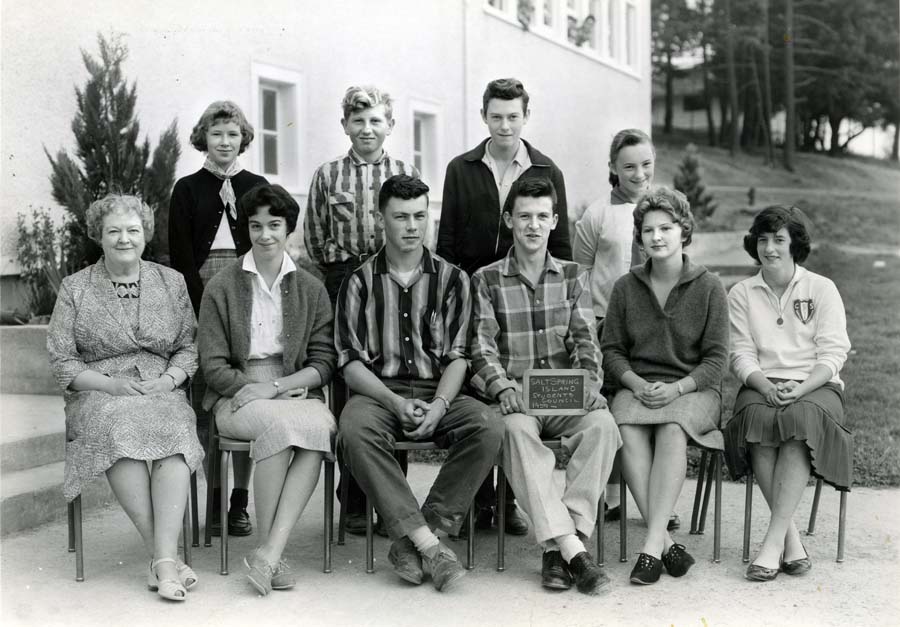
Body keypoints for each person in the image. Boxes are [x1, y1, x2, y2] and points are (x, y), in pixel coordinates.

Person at [336, 175, 504, 592]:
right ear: (381, 219)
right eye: (400, 217)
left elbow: (459, 356)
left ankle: (415, 538)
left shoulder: (452, 279)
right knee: (353, 429)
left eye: (419, 215)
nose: (412, 226)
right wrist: (393, 401)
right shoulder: (359, 281)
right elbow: (350, 364)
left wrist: (442, 405)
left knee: (488, 426)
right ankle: (430, 544)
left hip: (438, 391)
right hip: (379, 392)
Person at [48, 194, 205, 601]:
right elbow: (63, 361)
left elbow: (189, 347)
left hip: (159, 386)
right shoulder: (75, 288)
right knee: (118, 428)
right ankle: (166, 560)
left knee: (173, 429)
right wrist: (109, 385)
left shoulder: (171, 282)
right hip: (99, 390)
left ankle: (161, 559)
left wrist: (171, 380)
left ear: (145, 235)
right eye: (113, 231)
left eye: (132, 230)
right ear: (98, 236)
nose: (124, 239)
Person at [470, 177, 620, 596]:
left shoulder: (573, 276)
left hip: (564, 392)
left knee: (603, 427)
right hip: (519, 396)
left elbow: (586, 340)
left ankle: (559, 551)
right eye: (523, 217)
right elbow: (480, 346)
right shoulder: (486, 279)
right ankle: (576, 551)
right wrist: (501, 387)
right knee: (515, 431)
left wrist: (590, 382)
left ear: (554, 221)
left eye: (541, 217)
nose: (533, 226)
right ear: (509, 220)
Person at [438, 77, 572, 535]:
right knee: (482, 388)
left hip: (527, 293)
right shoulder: (462, 167)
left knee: (522, 382)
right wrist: (455, 297)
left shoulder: (546, 168)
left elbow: (565, 244)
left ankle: (509, 500)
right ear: (484, 117)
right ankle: (478, 500)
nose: (504, 125)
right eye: (496, 116)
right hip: (477, 292)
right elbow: (449, 240)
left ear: (525, 117)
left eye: (513, 116)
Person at [197, 184, 337, 596]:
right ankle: (269, 551)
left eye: (275, 225)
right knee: (280, 428)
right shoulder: (221, 286)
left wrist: (278, 386)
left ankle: (269, 552)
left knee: (317, 431)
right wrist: (257, 389)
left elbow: (323, 362)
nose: (265, 235)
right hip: (236, 394)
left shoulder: (311, 287)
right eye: (255, 226)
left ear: (289, 228)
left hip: (292, 389)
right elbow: (214, 365)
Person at [304, 85, 419, 534]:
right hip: (345, 283)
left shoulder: (404, 171)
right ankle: (351, 500)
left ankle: (393, 500)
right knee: (352, 388)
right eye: (358, 121)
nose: (366, 129)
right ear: (345, 126)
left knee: (394, 378)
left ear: (390, 124)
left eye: (375, 120)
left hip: (395, 286)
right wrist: (353, 271)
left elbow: (413, 231)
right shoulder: (328, 175)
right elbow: (315, 238)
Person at [600, 187, 729, 585]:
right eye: (648, 230)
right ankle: (667, 544)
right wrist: (636, 384)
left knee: (673, 428)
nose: (657, 237)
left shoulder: (709, 287)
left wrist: (678, 389)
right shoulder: (625, 287)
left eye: (667, 228)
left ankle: (652, 543)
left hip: (694, 391)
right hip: (637, 387)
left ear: (684, 230)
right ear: (639, 237)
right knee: (626, 428)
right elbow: (612, 350)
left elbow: (717, 361)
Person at [724, 206, 851, 582]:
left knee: (799, 419)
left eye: (779, 240)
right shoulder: (742, 293)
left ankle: (772, 542)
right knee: (757, 420)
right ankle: (791, 540)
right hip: (762, 382)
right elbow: (739, 354)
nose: (770, 248)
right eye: (762, 240)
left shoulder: (821, 288)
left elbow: (833, 354)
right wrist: (764, 384)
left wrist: (802, 387)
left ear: (794, 243)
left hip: (816, 385)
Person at [169, 100, 268, 538]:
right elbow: (181, 257)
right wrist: (203, 305)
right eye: (216, 134)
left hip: (245, 289)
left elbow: (266, 248)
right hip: (200, 290)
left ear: (243, 138)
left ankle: (239, 501)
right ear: (203, 138)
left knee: (244, 389)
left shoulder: (257, 185)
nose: (225, 142)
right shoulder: (187, 188)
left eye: (232, 134)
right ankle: (211, 498)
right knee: (208, 400)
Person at [572, 128, 676, 528]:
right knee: (614, 408)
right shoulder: (598, 214)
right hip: (606, 324)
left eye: (646, 164)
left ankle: (659, 500)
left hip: (654, 327)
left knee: (654, 409)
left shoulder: (665, 211)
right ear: (613, 168)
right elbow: (580, 274)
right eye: (629, 166)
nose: (639, 173)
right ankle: (612, 496)